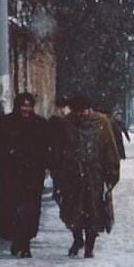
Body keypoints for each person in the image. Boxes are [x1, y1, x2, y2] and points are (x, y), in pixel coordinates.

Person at [56, 96, 120, 258]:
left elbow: (109, 148)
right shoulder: (67, 124)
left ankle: (90, 246)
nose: (81, 114)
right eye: (77, 111)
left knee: (94, 211)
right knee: (72, 210)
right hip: (72, 175)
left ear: (90, 109)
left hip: (94, 174)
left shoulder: (101, 123)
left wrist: (111, 173)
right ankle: (77, 238)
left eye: (84, 110)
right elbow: (60, 149)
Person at [0, 92, 49, 257]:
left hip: (32, 175)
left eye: (29, 105)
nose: (26, 109)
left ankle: (24, 243)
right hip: (10, 175)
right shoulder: (4, 124)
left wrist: (45, 166)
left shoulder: (40, 124)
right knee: (10, 210)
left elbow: (46, 148)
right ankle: (16, 239)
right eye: (23, 105)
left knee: (30, 211)